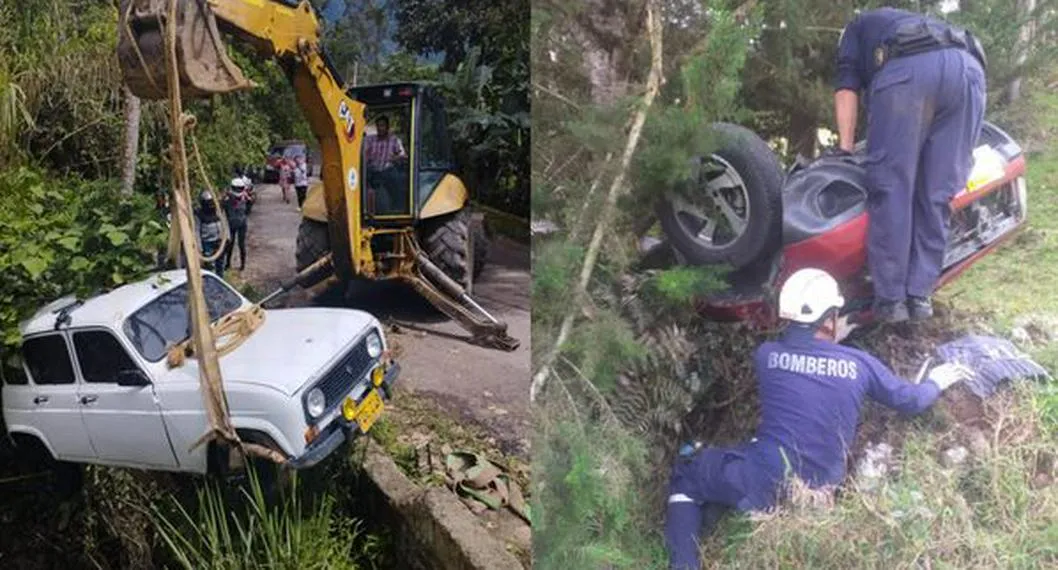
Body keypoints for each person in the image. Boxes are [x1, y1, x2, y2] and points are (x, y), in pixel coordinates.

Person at [664, 268, 972, 570]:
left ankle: (684, 561)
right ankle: (725, 504)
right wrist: (936, 381)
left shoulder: (767, 355)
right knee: (749, 452)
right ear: (828, 319)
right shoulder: (859, 364)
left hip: (765, 477)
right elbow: (911, 401)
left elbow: (800, 357)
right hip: (817, 493)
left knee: (689, 472)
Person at [833, 8, 987, 323]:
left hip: (910, 72)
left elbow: (847, 88)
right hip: (969, 72)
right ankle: (920, 296)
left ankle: (891, 302)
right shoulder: (908, 21)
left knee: (892, 187)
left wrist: (845, 148)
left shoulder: (855, 29)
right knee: (937, 192)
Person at [195, 190, 225, 277]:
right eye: (208, 203)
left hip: (219, 241)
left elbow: (224, 223)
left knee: (220, 264)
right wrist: (199, 247)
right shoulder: (199, 214)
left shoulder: (218, 211)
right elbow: (196, 231)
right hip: (207, 243)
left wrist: (226, 238)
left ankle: (220, 280)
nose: (211, 205)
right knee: (208, 267)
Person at [223, 177, 250, 271]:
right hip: (233, 223)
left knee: (241, 245)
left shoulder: (245, 198)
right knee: (230, 244)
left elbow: (248, 209)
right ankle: (228, 264)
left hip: (241, 223)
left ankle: (242, 265)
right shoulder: (227, 199)